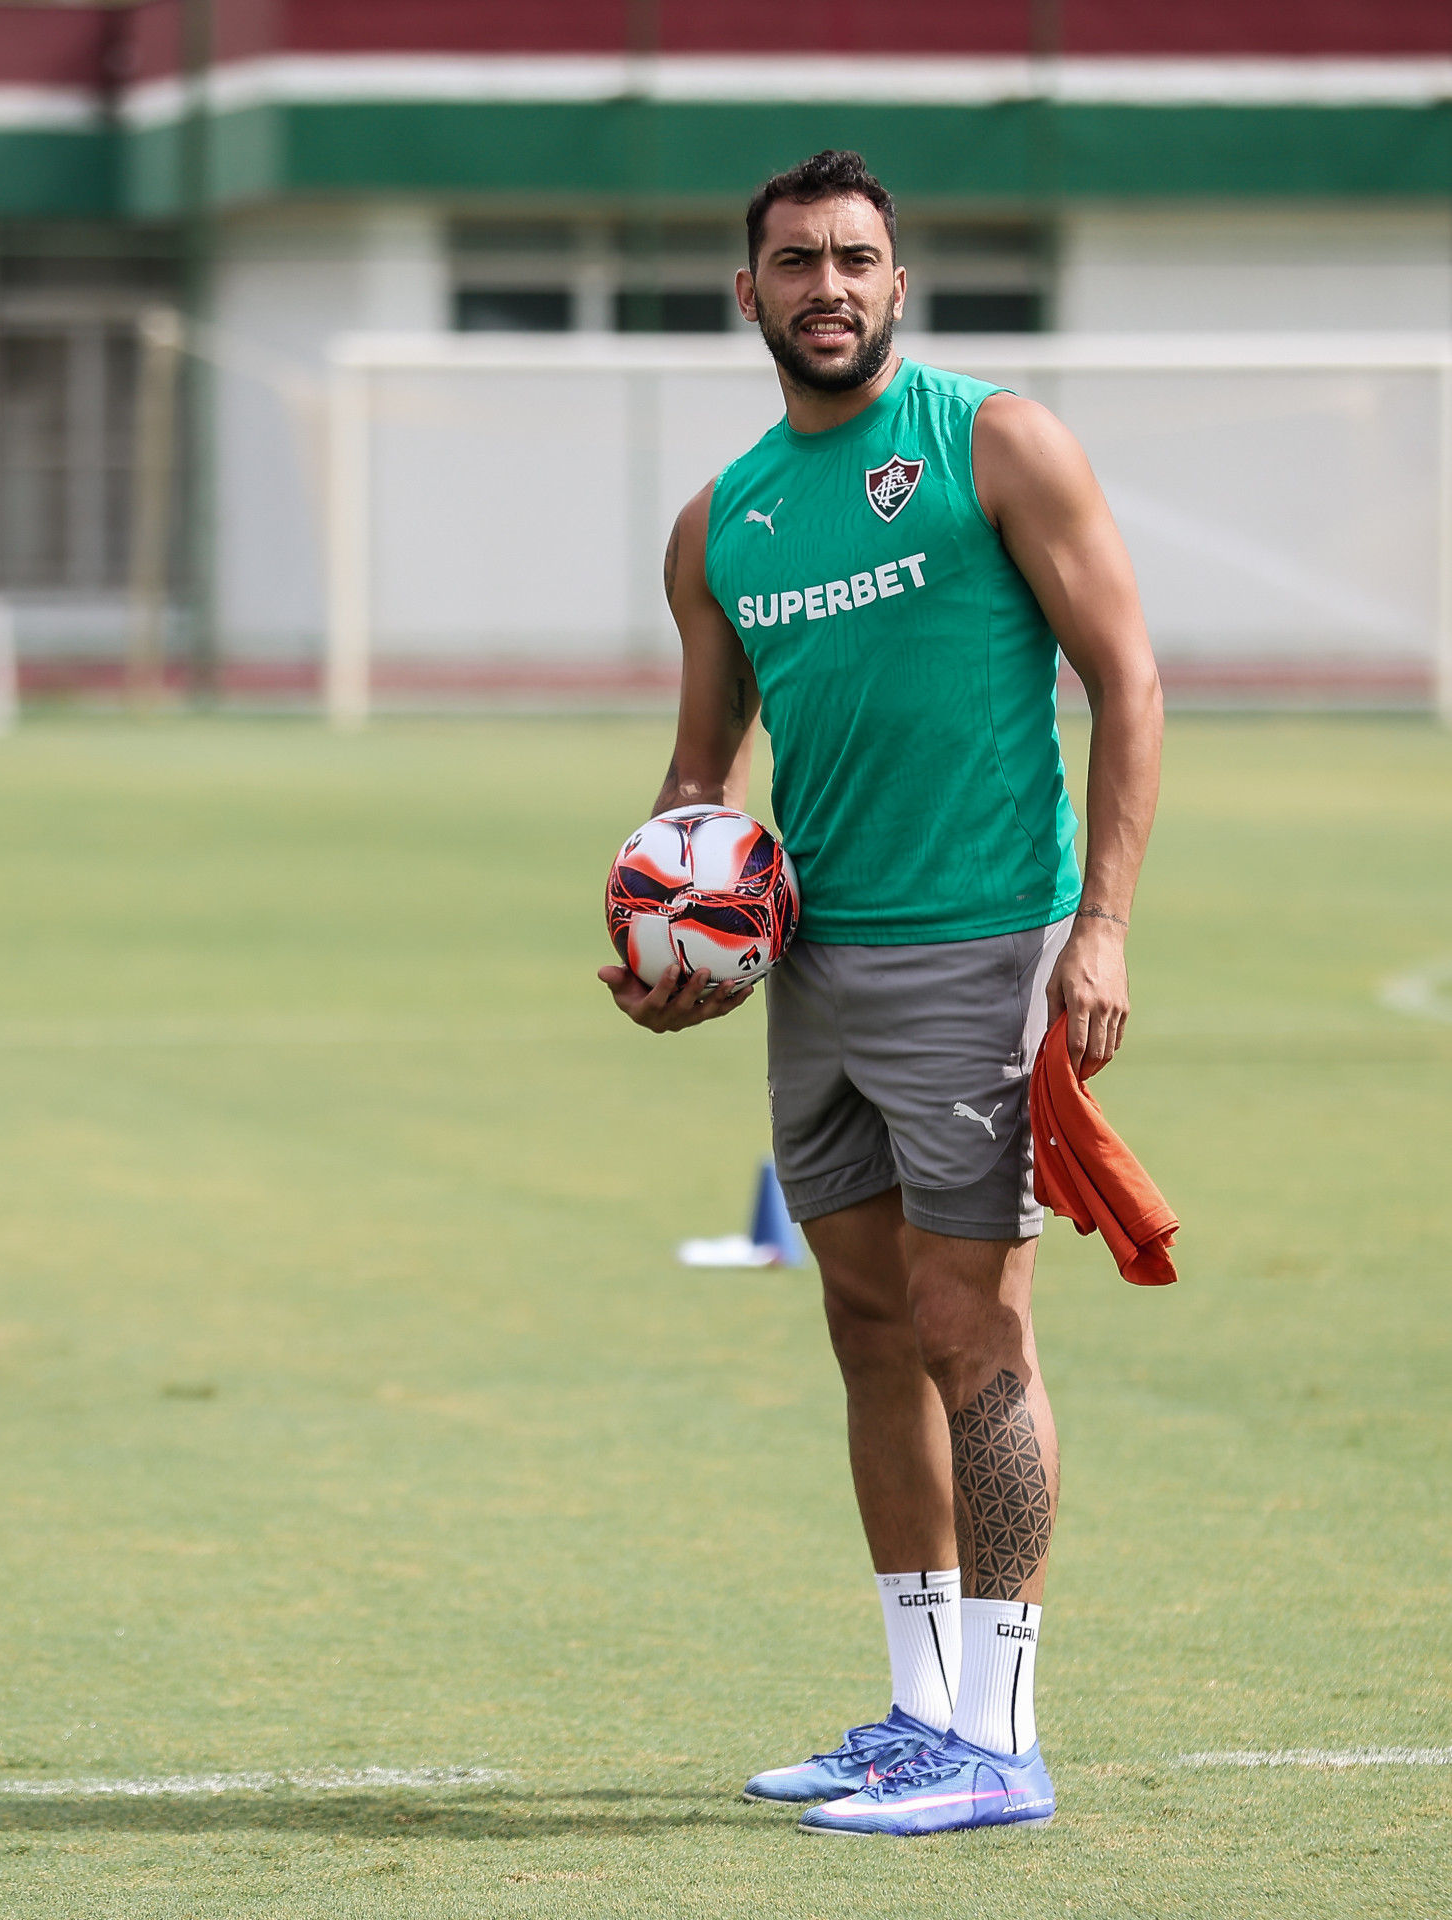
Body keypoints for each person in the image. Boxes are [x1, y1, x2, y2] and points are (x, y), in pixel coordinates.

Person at [598, 150, 1162, 1836]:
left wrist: (1106, 926)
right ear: (749, 292)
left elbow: (1127, 679)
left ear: (898, 287)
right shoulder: (722, 523)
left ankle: (1002, 1737)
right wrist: (664, 931)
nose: (828, 286)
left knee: (969, 1325)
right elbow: (701, 773)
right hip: (819, 965)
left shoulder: (993, 442)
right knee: (863, 1327)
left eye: (857, 260)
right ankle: (920, 1712)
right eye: (796, 262)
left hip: (984, 945)